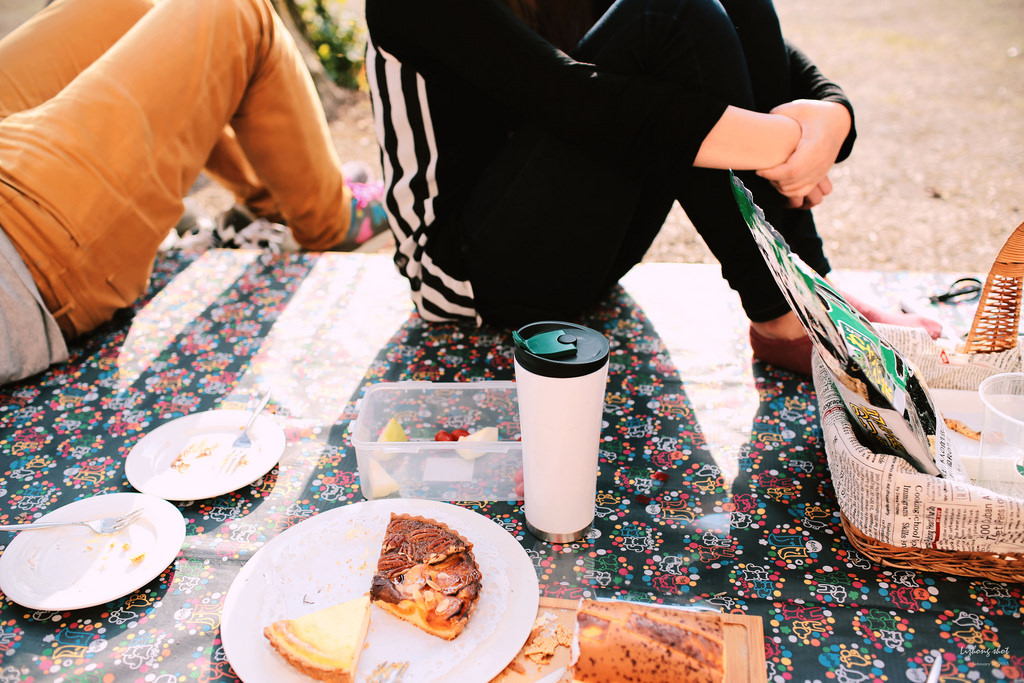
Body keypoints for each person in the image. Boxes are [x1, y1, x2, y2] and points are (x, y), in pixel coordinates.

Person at [364, 0, 940, 376]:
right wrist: (789, 147)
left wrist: (832, 117)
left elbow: (750, 49)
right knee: (668, 14)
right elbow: (570, 98)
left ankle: (806, 286)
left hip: (579, 249)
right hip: (466, 276)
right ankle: (783, 313)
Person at [0, 0, 387, 385]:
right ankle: (330, 222)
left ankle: (280, 198)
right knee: (238, 12)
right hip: (19, 247)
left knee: (123, 9)